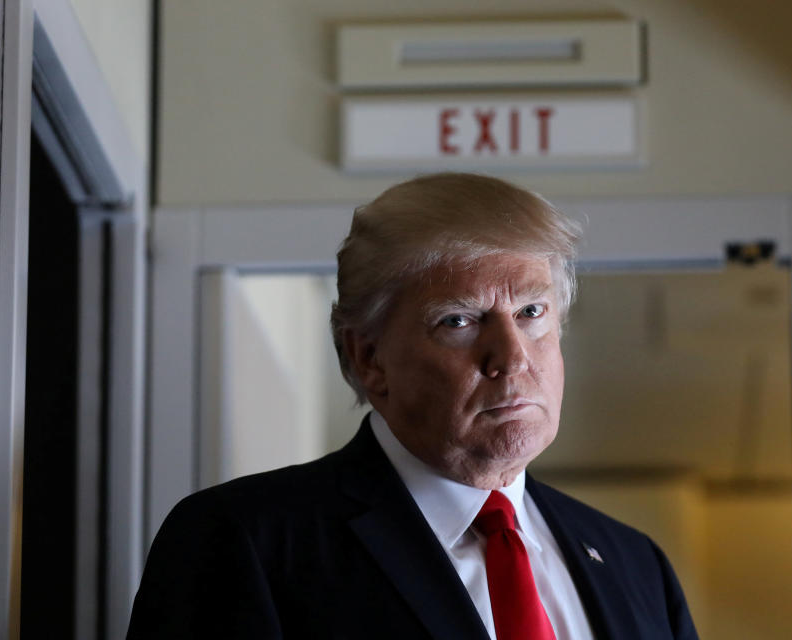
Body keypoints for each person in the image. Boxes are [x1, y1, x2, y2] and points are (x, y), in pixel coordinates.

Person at [127, 173, 698, 639]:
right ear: (370, 358)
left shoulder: (636, 566)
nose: (511, 357)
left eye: (531, 313)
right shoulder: (246, 541)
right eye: (459, 320)